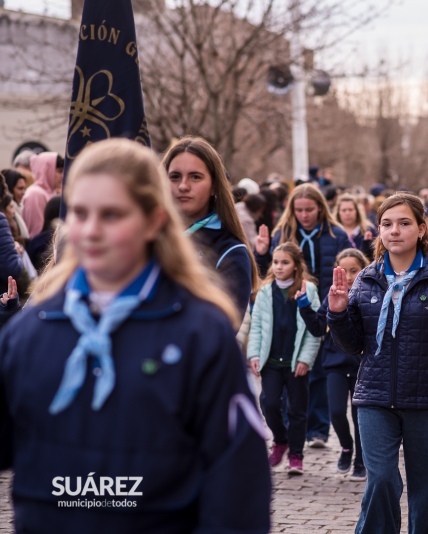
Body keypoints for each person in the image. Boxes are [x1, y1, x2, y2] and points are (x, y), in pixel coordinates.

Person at [0, 138, 271, 532]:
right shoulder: (31, 330)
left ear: (153, 220)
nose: (91, 230)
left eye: (112, 214)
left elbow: (238, 483)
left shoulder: (200, 333)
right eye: (80, 212)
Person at [327, 192, 428, 534]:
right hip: (374, 398)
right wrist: (336, 312)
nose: (395, 231)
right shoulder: (366, 279)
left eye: (404, 223)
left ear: (422, 229)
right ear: (378, 230)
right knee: (380, 480)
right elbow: (352, 344)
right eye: (387, 224)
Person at [263, 183, 349, 448]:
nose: (304, 215)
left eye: (309, 209)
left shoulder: (336, 234)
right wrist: (260, 252)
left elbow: (350, 264)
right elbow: (270, 270)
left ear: (320, 208)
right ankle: (291, 425)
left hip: (327, 306)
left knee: (321, 369)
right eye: (299, 210)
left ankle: (318, 429)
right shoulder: (283, 234)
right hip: (290, 307)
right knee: (293, 367)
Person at [162, 136, 258, 324]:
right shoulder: (148, 238)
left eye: (195, 177)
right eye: (174, 177)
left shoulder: (230, 251)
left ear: (214, 185)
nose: (183, 186)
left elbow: (220, 331)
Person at [247, 242, 321, 476]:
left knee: (297, 409)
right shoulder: (265, 291)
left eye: (285, 263)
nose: (279, 267)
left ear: (296, 266)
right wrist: (254, 354)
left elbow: (312, 329)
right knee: (268, 403)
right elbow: (256, 325)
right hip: (271, 360)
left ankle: (296, 455)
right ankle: (281, 440)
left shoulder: (308, 289)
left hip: (295, 361)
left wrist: (306, 359)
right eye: (276, 262)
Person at [297, 248, 370, 481]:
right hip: (335, 364)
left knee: (360, 416)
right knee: (336, 412)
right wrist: (304, 307)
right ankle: (346, 447)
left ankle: (361, 459)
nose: (348, 276)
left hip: (362, 366)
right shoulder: (332, 295)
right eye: (343, 270)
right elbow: (318, 327)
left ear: (363, 270)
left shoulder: (369, 294)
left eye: (354, 271)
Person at [21, 152, 62, 238]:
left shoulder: (50, 192)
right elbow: (35, 234)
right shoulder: (35, 194)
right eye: (59, 171)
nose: (62, 176)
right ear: (47, 170)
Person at [334, 193, 376, 259]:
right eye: (344, 210)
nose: (347, 213)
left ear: (357, 211)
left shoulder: (368, 230)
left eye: (350, 210)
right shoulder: (333, 232)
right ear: (338, 212)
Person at [2, 169, 30, 241]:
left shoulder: (19, 209)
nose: (23, 192)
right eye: (20, 188)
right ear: (9, 189)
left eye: (24, 188)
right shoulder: (5, 214)